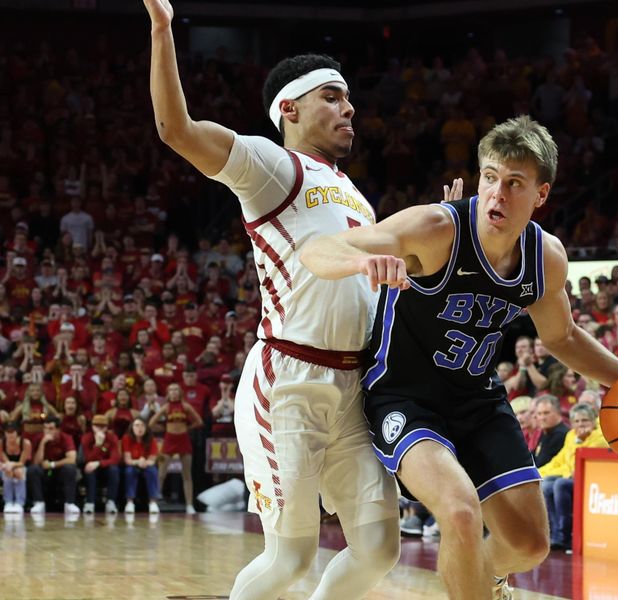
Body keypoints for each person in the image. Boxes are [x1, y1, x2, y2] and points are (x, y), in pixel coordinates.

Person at [300, 116, 618, 599]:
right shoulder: (436, 228)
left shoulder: (544, 257)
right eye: (490, 177)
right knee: (461, 510)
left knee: (530, 545)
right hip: (404, 398)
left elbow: (564, 337)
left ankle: (480, 581)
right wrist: (360, 261)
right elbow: (318, 249)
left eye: (514, 184)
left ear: (541, 195)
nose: (497, 194)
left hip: (477, 400)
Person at [144, 0, 425, 595]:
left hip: (354, 390)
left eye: (348, 97)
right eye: (331, 96)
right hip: (290, 383)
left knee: (378, 548)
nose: (348, 108)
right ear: (290, 109)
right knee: (291, 557)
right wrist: (163, 28)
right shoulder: (274, 167)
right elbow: (178, 131)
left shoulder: (354, 195)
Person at [538, 402, 607, 552]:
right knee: (546, 484)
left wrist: (581, 440)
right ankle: (555, 535)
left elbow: (580, 461)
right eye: (576, 421)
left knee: (560, 484)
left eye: (585, 420)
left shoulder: (601, 437)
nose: (580, 424)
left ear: (594, 421)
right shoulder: (571, 435)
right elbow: (560, 459)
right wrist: (539, 473)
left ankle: (566, 535)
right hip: (571, 476)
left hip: (590, 480)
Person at [148, 383, 202, 514]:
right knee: (161, 473)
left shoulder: (186, 406)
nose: (173, 392)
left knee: (186, 474)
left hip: (184, 440)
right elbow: (151, 423)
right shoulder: (165, 407)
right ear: (168, 393)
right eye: (171, 389)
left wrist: (187, 429)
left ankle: (189, 505)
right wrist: (164, 429)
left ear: (180, 392)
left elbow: (199, 421)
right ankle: (154, 503)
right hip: (169, 440)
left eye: (176, 389)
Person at [27, 416, 80, 514]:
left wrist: (52, 464)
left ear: (58, 429)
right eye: (45, 428)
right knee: (33, 469)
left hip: (59, 471)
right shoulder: (39, 438)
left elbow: (72, 459)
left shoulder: (66, 438)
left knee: (70, 468)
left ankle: (70, 503)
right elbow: (36, 461)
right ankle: (39, 503)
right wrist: (43, 443)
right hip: (44, 472)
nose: (47, 431)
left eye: (50, 429)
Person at [81, 414, 122, 514]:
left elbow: (115, 459)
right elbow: (88, 459)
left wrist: (99, 463)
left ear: (107, 427)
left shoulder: (112, 438)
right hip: (91, 468)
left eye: (102, 426)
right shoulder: (87, 438)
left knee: (114, 469)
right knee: (89, 469)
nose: (99, 429)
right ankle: (90, 502)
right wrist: (98, 445)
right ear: (92, 426)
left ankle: (111, 502)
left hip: (106, 467)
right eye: (97, 426)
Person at [122, 417, 160, 514]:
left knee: (152, 471)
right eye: (137, 425)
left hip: (146, 464)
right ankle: (130, 502)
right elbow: (127, 460)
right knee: (129, 471)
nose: (140, 428)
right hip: (133, 463)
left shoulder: (151, 440)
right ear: (132, 427)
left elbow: (152, 460)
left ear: (146, 428)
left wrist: (144, 462)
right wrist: (138, 461)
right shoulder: (126, 438)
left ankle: (153, 502)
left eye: (142, 425)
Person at [1, 423, 32, 513]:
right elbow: (5, 461)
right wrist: (8, 466)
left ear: (17, 432)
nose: (10, 435)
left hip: (21, 466)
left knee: (19, 472)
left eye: (12, 432)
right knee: (8, 472)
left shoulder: (25, 443)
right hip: (5, 467)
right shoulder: (1, 443)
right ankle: (8, 502)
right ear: (5, 433)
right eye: (8, 432)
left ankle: (19, 503)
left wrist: (12, 465)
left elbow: (22, 463)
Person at [532, 395, 569, 469]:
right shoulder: (546, 431)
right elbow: (535, 455)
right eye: (539, 414)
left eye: (546, 413)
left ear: (558, 413)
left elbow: (543, 462)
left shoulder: (560, 435)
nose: (542, 418)